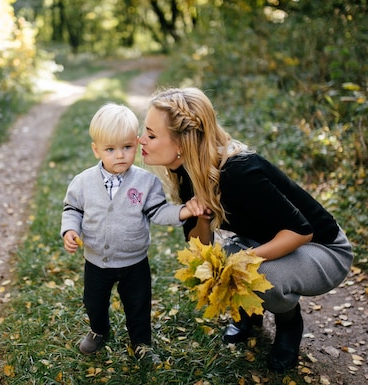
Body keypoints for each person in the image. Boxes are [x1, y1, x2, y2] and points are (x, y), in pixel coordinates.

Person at [138, 87, 353, 372]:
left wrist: (241, 262)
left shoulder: (239, 172)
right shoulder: (187, 171)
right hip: (266, 240)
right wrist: (201, 216)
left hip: (323, 248)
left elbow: (301, 231)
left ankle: (289, 322)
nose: (141, 140)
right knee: (211, 265)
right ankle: (250, 313)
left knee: (259, 272)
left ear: (183, 142)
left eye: (151, 135)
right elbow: (197, 247)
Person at [61, 103, 194, 362]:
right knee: (94, 302)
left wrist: (183, 212)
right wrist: (69, 229)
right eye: (110, 149)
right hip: (96, 260)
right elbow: (72, 209)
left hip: (134, 262)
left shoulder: (146, 183)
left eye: (127, 147)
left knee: (138, 304)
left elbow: (158, 212)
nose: (119, 155)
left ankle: (141, 343)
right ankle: (99, 331)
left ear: (136, 143)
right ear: (96, 149)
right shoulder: (83, 182)